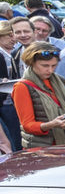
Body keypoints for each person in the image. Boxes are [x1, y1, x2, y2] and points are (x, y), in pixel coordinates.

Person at [12, 42, 65, 147]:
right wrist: (51, 124)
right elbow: (27, 125)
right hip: (45, 147)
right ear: (31, 63)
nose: (50, 70)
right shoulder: (22, 87)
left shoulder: (61, 81)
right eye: (45, 66)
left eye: (54, 66)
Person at [0, 20, 24, 150]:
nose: (13, 38)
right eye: (9, 35)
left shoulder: (12, 52)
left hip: (12, 102)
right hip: (5, 104)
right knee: (11, 141)